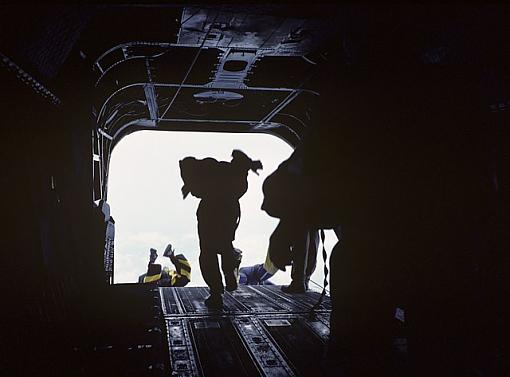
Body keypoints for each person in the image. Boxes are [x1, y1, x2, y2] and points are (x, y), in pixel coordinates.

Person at [179, 150, 262, 309]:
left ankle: (216, 292)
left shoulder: (205, 172)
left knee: (208, 253)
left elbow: (196, 186)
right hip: (229, 212)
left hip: (210, 213)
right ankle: (230, 275)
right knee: (225, 246)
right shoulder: (226, 174)